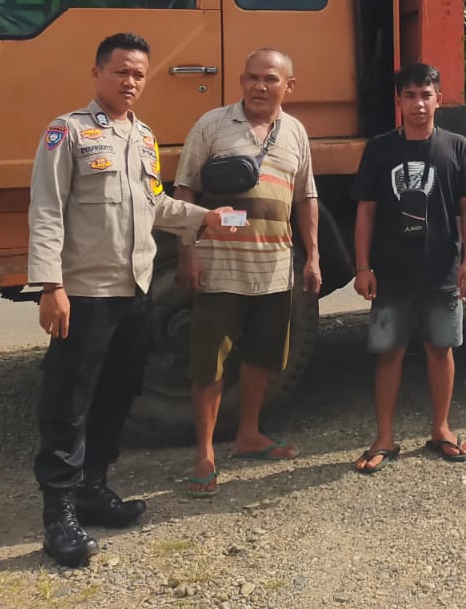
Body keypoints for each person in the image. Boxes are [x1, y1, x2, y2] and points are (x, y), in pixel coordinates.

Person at [28, 32, 225, 568]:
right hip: (85, 295)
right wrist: (51, 286)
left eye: (139, 74)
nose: (131, 82)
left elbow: (155, 204)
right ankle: (59, 517)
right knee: (69, 403)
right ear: (97, 73)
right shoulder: (66, 133)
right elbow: (46, 211)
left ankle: (93, 488)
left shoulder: (143, 138)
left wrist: (204, 219)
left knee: (117, 394)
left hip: (133, 294)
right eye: (121, 72)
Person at [174, 48, 323, 497]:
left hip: (274, 271)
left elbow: (306, 198)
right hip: (220, 268)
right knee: (209, 364)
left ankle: (249, 435)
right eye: (252, 78)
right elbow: (184, 189)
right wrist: (187, 253)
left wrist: (313, 256)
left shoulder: (296, 132)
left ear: (288, 86)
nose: (260, 86)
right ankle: (204, 454)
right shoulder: (212, 125)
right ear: (241, 80)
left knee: (262, 357)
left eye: (271, 79)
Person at [349, 63, 466, 473]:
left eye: (426, 95)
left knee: (439, 349)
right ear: (399, 101)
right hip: (391, 272)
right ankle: (384, 438)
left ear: (439, 99)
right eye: (409, 96)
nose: (418, 104)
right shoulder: (380, 149)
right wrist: (362, 266)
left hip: (441, 271)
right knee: (388, 353)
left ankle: (441, 429)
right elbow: (366, 212)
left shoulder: (457, 146)